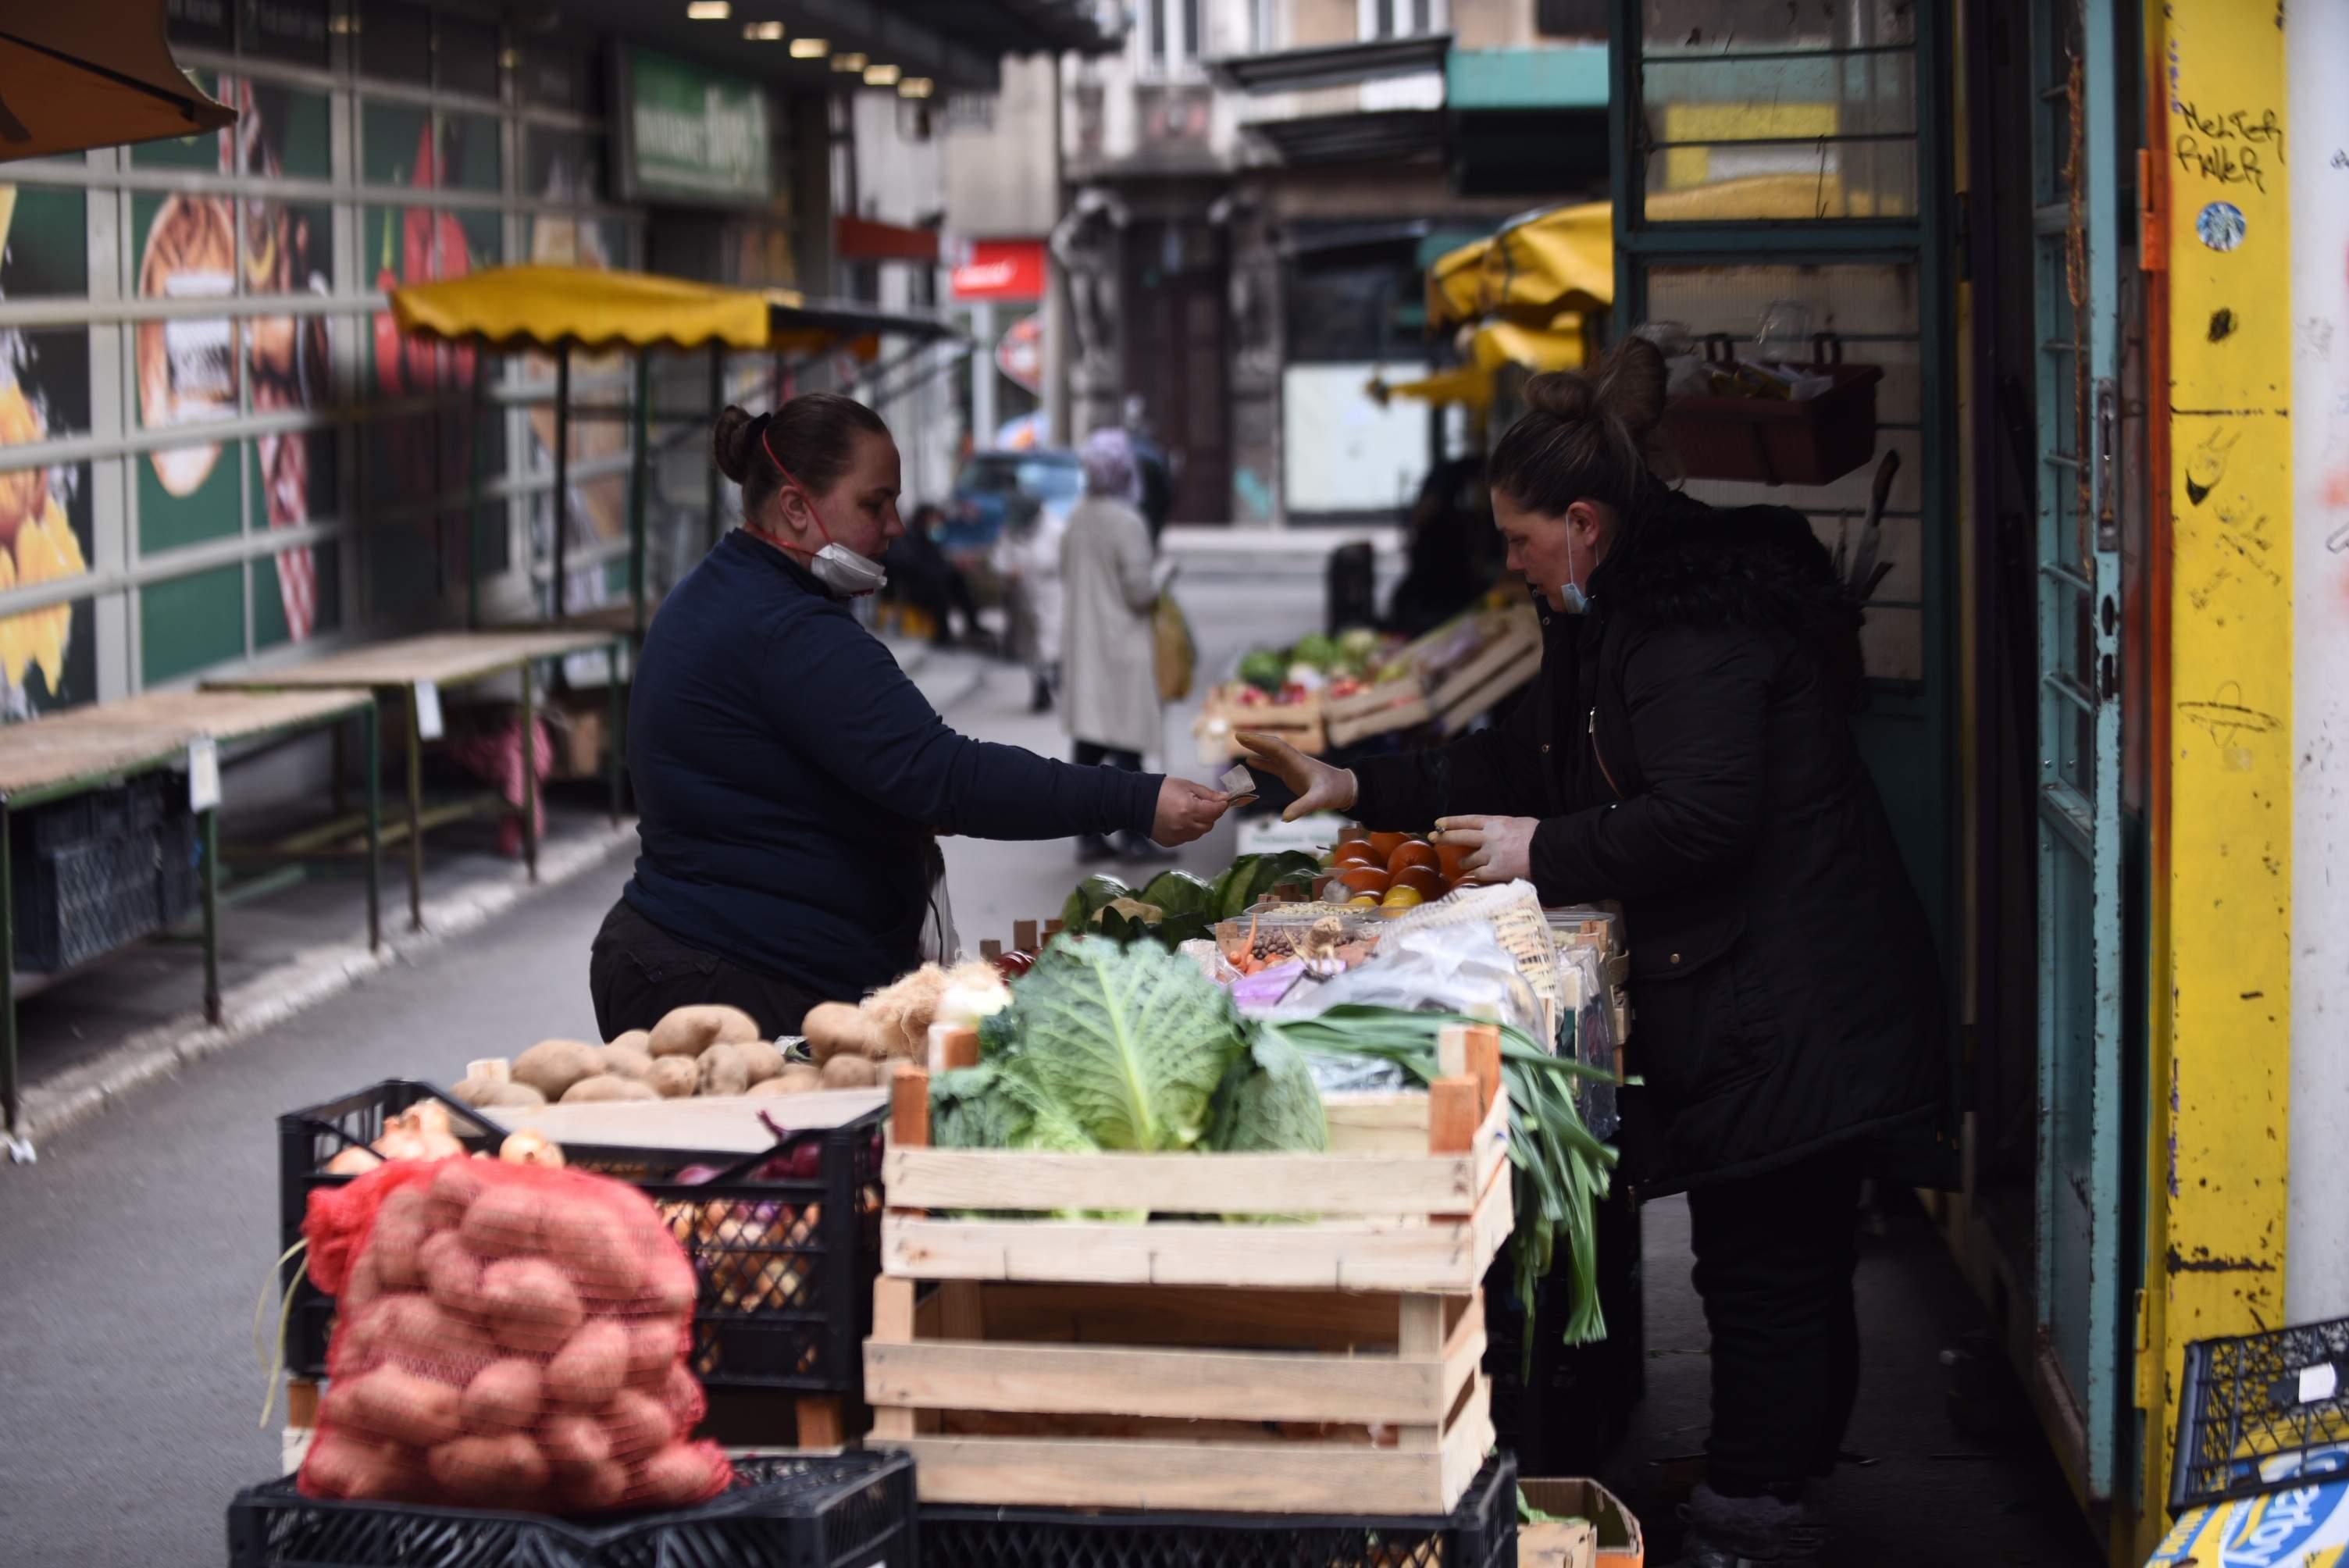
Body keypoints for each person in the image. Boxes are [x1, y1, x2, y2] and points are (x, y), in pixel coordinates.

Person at [1236, 339, 1944, 1568]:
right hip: (1754, 982)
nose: (1506, 567)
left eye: (1517, 542)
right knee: (1769, 1251)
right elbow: (1520, 763)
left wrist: (1542, 850)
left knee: (1768, 1256)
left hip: (1795, 992)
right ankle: (1767, 1483)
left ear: (1583, 523)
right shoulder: (1609, 618)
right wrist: (1356, 783)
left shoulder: (1689, 629)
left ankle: (1761, 1514)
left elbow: (1704, 815)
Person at [589, 394, 1230, 1039]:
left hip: (716, 963)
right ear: (794, 508)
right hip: (726, 980)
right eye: (875, 503)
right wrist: (1135, 799)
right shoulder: (783, 628)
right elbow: (944, 777)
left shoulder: (738, 591)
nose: (895, 525)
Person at [1060, 428, 1170, 865]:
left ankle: (1087, 836)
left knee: (1088, 749)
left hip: (1085, 646)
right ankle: (1136, 838)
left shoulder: (1077, 516)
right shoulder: (1129, 522)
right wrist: (1165, 575)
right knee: (1127, 746)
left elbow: (1065, 571)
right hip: (1121, 647)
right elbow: (1141, 593)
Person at [992, 486, 1068, 714]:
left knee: (1051, 640)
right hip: (1024, 596)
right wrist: (1007, 570)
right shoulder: (1011, 530)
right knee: (1031, 647)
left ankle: (1053, 675)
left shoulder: (1056, 530)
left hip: (1053, 593)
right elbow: (999, 558)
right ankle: (1040, 687)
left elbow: (1068, 563)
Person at [881, 502, 980, 647]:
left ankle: (973, 624)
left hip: (935, 582)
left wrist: (953, 569)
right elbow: (911, 565)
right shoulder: (908, 539)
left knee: (957, 579)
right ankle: (942, 634)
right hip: (916, 588)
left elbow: (938, 563)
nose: (936, 523)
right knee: (938, 590)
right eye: (933, 519)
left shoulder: (930, 539)